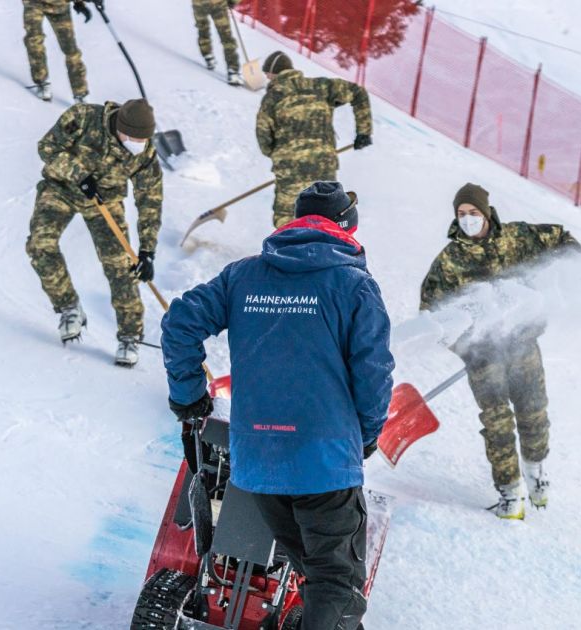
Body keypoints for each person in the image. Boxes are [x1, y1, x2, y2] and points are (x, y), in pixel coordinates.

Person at [162, 181, 394, 630]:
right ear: (348, 228)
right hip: (324, 462)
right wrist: (363, 438)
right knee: (335, 585)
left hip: (259, 464)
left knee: (312, 576)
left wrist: (189, 396)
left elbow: (180, 325)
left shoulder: (243, 276)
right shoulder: (355, 286)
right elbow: (374, 374)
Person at [419, 183, 581, 519]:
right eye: (462, 214)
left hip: (523, 344)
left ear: (486, 212)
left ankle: (535, 471)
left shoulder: (518, 237)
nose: (467, 220)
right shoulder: (449, 261)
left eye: (473, 213)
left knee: (533, 413)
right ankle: (510, 492)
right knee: (497, 423)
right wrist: (462, 343)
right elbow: (432, 313)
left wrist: (576, 272)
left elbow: (562, 239)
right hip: (482, 357)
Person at [25, 98, 163, 367]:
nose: (137, 143)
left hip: (106, 202)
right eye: (132, 137)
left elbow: (150, 198)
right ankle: (68, 307)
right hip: (61, 189)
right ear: (119, 127)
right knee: (40, 244)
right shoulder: (84, 117)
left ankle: (129, 336)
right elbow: (47, 147)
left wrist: (147, 250)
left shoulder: (144, 151)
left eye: (142, 139)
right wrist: (78, 174)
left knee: (121, 266)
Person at [255, 51, 373, 228]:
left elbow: (263, 135)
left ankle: (288, 252)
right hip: (323, 165)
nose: (267, 78)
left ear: (274, 72)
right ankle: (323, 251)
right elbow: (358, 92)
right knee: (324, 214)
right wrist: (363, 132)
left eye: (267, 75)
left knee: (287, 218)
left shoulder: (272, 97)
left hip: (289, 167)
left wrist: (278, 155)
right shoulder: (320, 86)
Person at [22, 0, 91, 103]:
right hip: (34, 4)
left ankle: (80, 93)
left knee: (70, 50)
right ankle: (41, 81)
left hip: (60, 8)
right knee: (34, 41)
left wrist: (79, 3)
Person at [191, 0, 243, 86]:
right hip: (218, 5)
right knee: (226, 37)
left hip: (199, 4)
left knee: (203, 29)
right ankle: (233, 71)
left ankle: (207, 56)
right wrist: (233, 2)